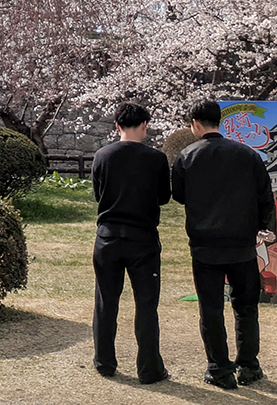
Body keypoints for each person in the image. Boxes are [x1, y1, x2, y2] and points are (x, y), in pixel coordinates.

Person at [172, 100, 274, 390]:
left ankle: (219, 368)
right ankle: (249, 365)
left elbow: (178, 195)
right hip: (243, 245)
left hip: (204, 247)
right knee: (246, 307)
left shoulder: (187, 156)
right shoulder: (247, 154)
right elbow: (265, 196)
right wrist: (262, 228)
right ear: (220, 121)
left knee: (211, 308)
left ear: (195, 123)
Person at [91, 102, 171, 384]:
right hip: (143, 239)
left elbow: (98, 194)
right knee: (146, 304)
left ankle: (104, 362)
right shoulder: (156, 159)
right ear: (144, 126)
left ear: (117, 126)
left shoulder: (102, 155)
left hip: (108, 236)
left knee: (105, 301)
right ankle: (149, 369)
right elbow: (164, 197)